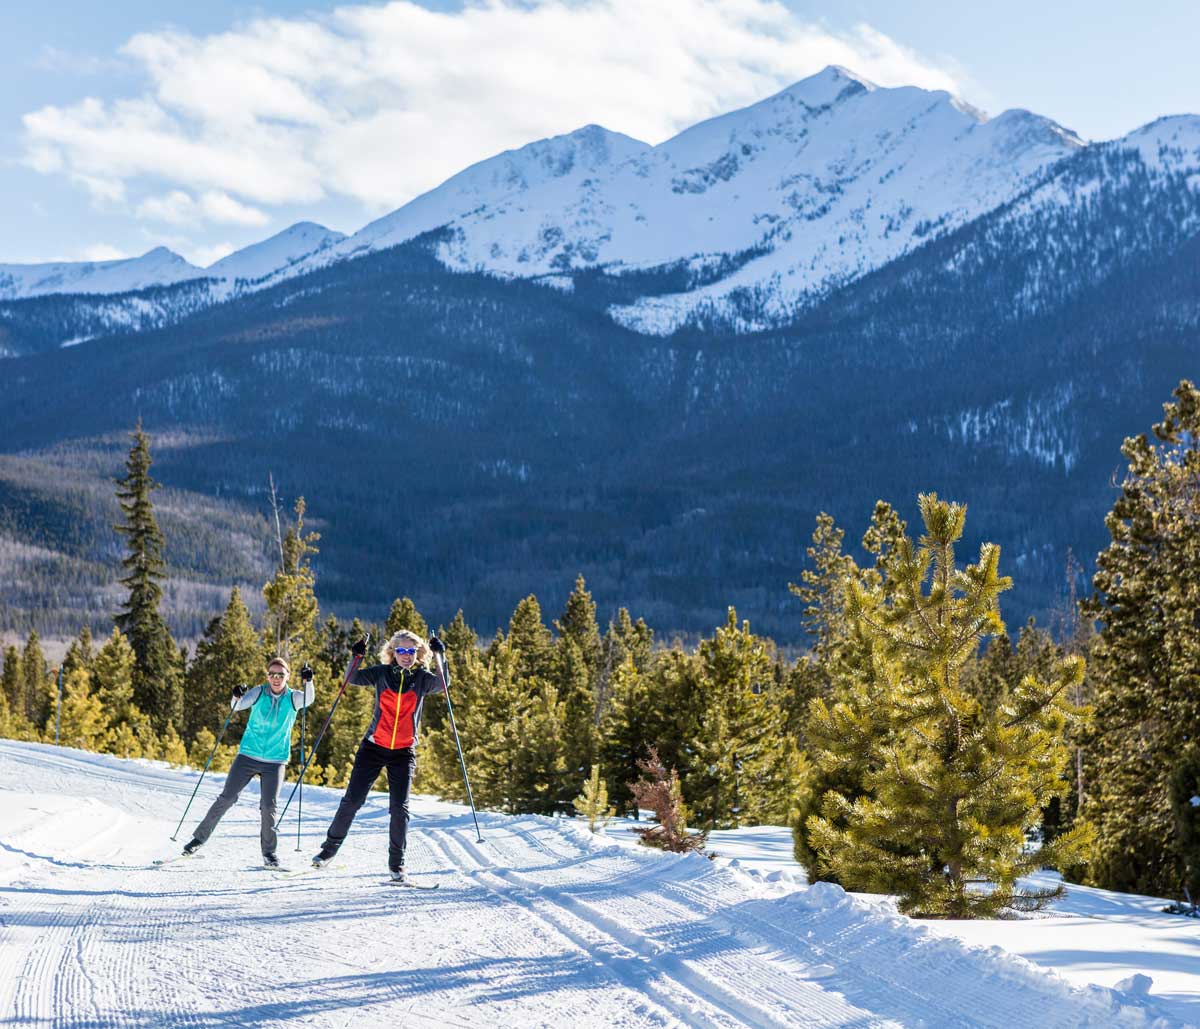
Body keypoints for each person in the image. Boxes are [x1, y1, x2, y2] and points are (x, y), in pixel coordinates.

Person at [312, 630, 446, 881]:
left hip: (403, 752)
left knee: (399, 808)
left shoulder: (423, 678)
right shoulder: (381, 673)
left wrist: (441, 655)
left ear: (418, 654)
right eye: (401, 651)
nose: (406, 656)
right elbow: (351, 678)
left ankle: (397, 865)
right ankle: (327, 852)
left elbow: (442, 684)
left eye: (411, 651)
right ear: (392, 653)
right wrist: (356, 656)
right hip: (373, 747)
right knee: (352, 801)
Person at [181, 657, 315, 868]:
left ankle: (269, 853)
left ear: (287, 676)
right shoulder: (259, 692)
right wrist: (236, 695)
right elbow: (237, 706)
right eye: (272, 674)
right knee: (226, 798)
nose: (276, 678)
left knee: (268, 806)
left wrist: (309, 681)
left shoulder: (293, 698)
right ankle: (198, 839)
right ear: (267, 675)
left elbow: (308, 699)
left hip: (275, 760)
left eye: (281, 674)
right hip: (248, 755)